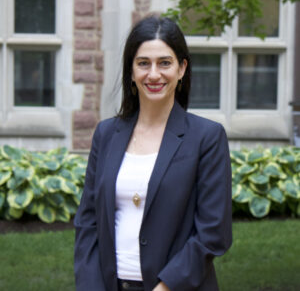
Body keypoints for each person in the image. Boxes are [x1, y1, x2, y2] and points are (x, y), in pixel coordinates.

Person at [74, 16, 232, 291]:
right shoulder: (106, 134)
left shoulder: (206, 137)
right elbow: (88, 223)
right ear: (131, 71)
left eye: (165, 63)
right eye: (143, 63)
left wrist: (165, 287)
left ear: (182, 68)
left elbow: (213, 232)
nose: (154, 74)